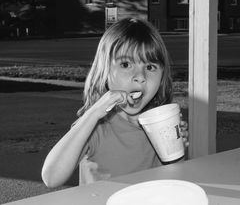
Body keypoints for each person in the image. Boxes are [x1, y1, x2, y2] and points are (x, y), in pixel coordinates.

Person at [41, 18, 188, 188]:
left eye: (150, 67)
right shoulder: (96, 126)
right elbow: (51, 177)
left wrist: (176, 153)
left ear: (162, 76)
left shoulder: (161, 124)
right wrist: (93, 113)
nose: (140, 77)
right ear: (104, 70)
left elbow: (173, 181)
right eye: (126, 64)